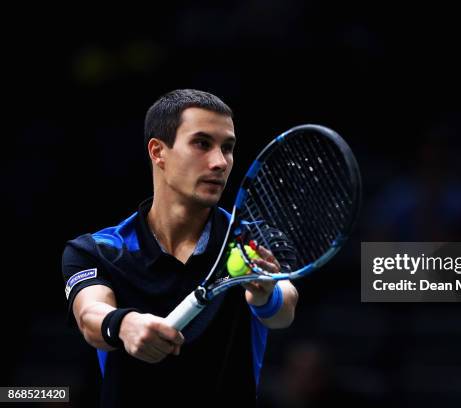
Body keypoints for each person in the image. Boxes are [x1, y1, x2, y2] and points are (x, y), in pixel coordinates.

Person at [61, 89, 299, 406]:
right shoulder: (98, 250)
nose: (219, 162)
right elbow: (90, 315)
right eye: (202, 144)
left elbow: (285, 308)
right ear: (158, 152)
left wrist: (265, 295)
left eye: (227, 148)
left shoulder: (254, 243)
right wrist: (124, 324)